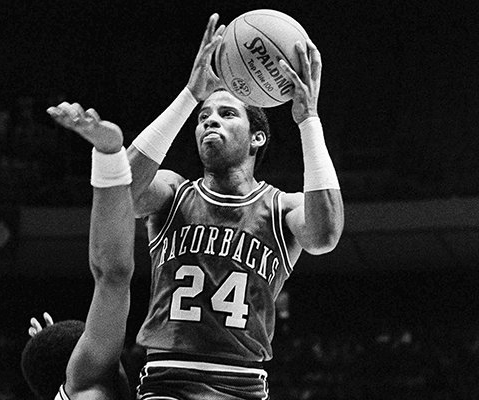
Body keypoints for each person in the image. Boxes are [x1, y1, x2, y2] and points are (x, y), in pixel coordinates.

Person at [49, 12, 344, 400]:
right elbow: (123, 189)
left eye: (226, 114)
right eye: (204, 116)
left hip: (244, 386)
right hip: (167, 382)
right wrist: (190, 95)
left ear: (257, 137)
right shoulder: (174, 193)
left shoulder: (281, 208)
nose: (210, 121)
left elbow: (325, 235)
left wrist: (309, 120)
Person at [21, 104, 135, 400]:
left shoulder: (80, 386)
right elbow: (111, 274)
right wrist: (109, 154)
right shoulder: (86, 383)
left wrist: (51, 349)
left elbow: (113, 277)